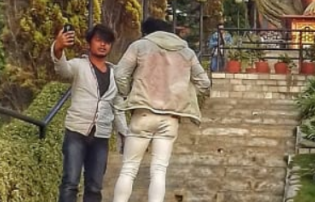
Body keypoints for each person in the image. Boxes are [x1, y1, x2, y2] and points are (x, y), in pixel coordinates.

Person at [112, 18, 211, 202]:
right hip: (170, 118)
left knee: (129, 168)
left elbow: (120, 74)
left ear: (146, 32)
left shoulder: (140, 46)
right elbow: (205, 83)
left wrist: (127, 93)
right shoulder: (186, 52)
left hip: (142, 112)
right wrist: (184, 94)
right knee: (159, 170)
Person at [51, 23, 122, 202]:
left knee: (95, 186)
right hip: (77, 132)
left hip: (101, 135)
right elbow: (62, 69)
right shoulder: (79, 66)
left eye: (107, 42)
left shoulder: (115, 73)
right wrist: (58, 48)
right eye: (98, 40)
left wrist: (124, 133)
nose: (103, 44)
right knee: (70, 182)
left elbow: (117, 105)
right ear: (90, 43)